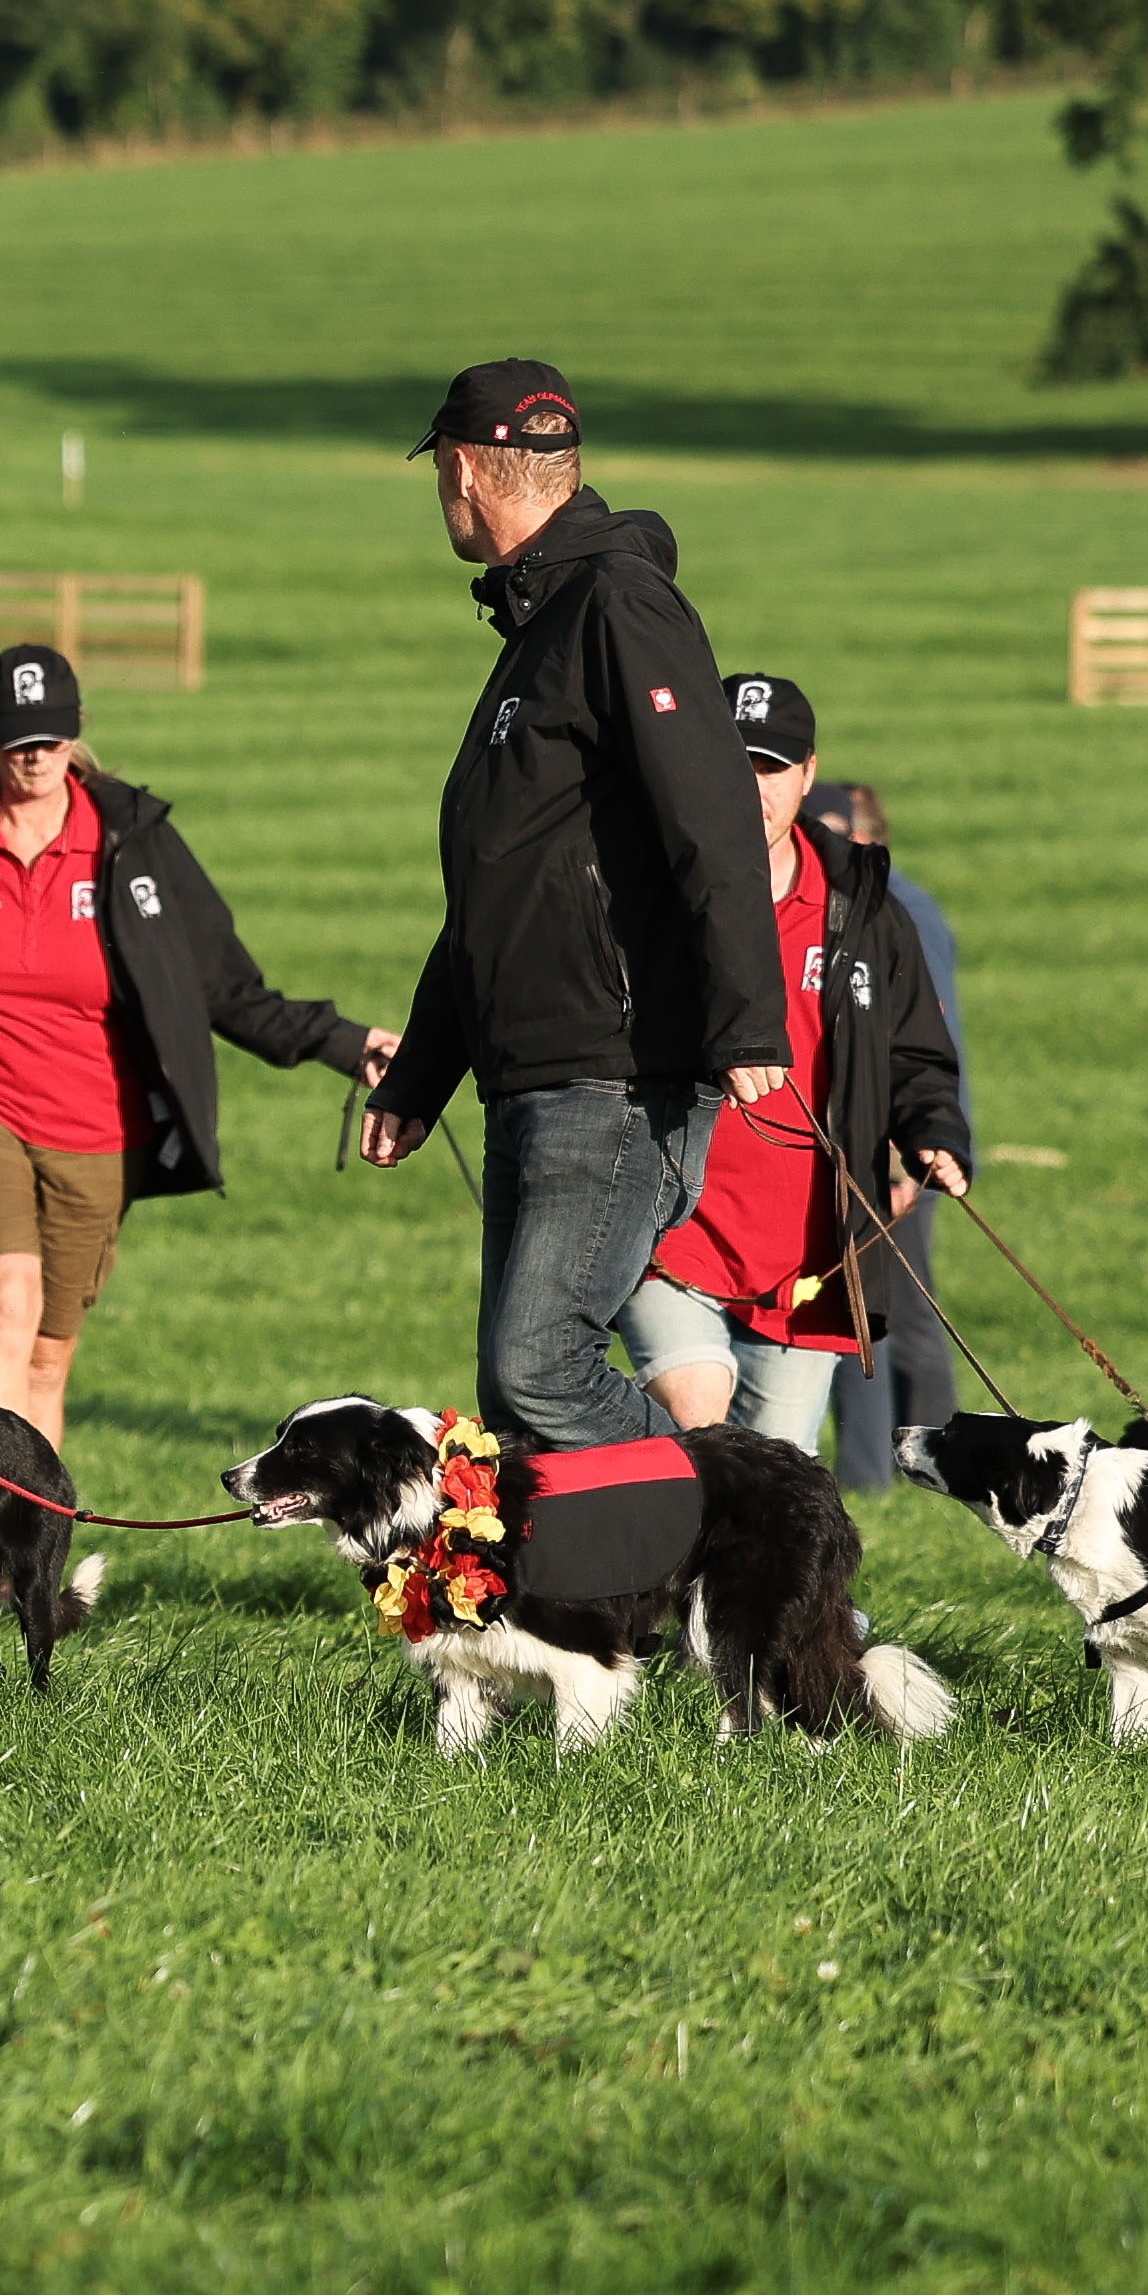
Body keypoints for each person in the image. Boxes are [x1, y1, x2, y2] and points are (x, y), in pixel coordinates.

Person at [359, 361, 785, 1449]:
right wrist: (422, 1071)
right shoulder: (539, 631)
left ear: (460, 470)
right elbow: (502, 889)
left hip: (615, 1068)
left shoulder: (615, 604)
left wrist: (744, 1016)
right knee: (518, 1396)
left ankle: (746, 1541)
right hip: (538, 1067)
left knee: (541, 1371)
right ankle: (602, 1620)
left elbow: (714, 812)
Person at [0, 646, 393, 1444]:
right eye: (13, 739)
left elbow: (225, 986)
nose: (32, 755)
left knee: (47, 1355)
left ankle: (23, 1553)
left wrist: (348, 1045)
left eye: (47, 736)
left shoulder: (133, 839)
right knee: (8, 1298)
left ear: (75, 732)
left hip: (101, 1129)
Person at [616, 678, 972, 1444]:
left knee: (775, 1481)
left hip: (808, 1252)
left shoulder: (863, 907)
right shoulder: (642, 895)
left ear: (807, 775)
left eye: (769, 768)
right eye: (729, 763)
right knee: (700, 1423)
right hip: (668, 1230)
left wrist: (931, 1135)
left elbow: (916, 1050)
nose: (750, 790)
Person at [813, 778, 968, 1484]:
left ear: (867, 838)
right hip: (890, 1143)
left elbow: (918, 1042)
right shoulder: (885, 904)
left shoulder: (895, 913)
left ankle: (880, 1477)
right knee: (897, 1318)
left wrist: (903, 1158)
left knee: (878, 1319)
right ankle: (913, 1472)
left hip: (897, 1146)